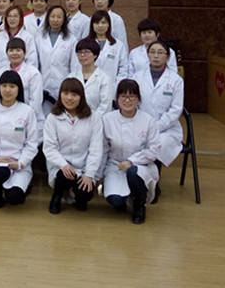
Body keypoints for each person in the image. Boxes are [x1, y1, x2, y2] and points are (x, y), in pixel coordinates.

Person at [101, 79, 161, 224]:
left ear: (139, 99)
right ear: (117, 98)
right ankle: (125, 199)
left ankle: (139, 205)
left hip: (141, 165)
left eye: (132, 96)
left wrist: (131, 161)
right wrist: (99, 174)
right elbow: (102, 149)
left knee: (134, 173)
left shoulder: (148, 121)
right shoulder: (107, 119)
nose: (127, 100)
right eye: (123, 96)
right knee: (116, 200)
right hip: (115, 165)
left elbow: (154, 150)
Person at [43, 78, 103, 214]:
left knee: (85, 194)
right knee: (64, 176)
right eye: (65, 93)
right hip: (61, 167)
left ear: (81, 97)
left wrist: (89, 174)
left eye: (74, 94)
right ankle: (57, 195)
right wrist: (63, 165)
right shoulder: (52, 118)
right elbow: (49, 147)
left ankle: (78, 197)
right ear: (60, 95)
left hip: (83, 167)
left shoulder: (94, 118)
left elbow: (96, 149)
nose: (69, 98)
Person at [0, 71, 38, 208]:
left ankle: (18, 187)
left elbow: (32, 144)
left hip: (19, 162)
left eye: (12, 86)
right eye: (4, 86)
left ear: (19, 89)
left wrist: (20, 163)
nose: (7, 90)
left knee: (15, 198)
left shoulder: (27, 111)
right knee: (1, 172)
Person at [134, 41, 184, 201]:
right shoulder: (137, 77)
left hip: (167, 129)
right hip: (140, 124)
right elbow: (133, 103)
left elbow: (176, 109)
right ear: (147, 55)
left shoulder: (176, 80)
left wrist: (156, 126)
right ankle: (137, 182)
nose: (156, 56)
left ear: (168, 57)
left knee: (158, 143)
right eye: (152, 52)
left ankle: (153, 184)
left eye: (160, 53)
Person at [0, 38, 44, 142]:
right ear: (6, 53)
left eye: (18, 50)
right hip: (5, 117)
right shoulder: (1, 72)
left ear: (25, 53)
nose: (14, 53)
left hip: (28, 120)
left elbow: (35, 102)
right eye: (11, 50)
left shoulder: (33, 73)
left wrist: (21, 117)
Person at [35, 5, 78, 114]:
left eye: (59, 17)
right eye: (52, 16)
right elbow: (35, 63)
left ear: (64, 20)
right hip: (43, 84)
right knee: (43, 117)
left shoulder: (71, 39)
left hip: (62, 84)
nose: (55, 20)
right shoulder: (39, 38)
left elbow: (74, 66)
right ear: (48, 18)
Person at [87, 10, 128, 97]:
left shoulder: (118, 45)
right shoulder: (85, 44)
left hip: (111, 89)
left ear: (109, 24)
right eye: (97, 23)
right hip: (89, 88)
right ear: (92, 25)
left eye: (103, 22)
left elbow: (123, 68)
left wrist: (117, 85)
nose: (100, 26)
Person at [68, 39, 112, 116]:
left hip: (96, 120)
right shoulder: (71, 77)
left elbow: (105, 105)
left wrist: (92, 119)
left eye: (86, 52)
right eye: (79, 52)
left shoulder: (104, 78)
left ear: (95, 55)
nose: (82, 55)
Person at [0, 5, 37, 70]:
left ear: (21, 18)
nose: (12, 19)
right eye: (9, 16)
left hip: (23, 73)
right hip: (2, 73)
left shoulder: (28, 37)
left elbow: (32, 61)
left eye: (15, 16)